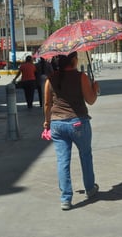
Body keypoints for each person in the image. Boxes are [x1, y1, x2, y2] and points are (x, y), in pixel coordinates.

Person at [43, 51, 100, 211]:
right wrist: (95, 88)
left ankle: (66, 199)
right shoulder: (80, 77)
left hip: (57, 124)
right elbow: (91, 100)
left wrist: (47, 122)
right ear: (74, 60)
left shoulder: (50, 79)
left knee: (62, 161)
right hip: (78, 122)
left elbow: (47, 104)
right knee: (85, 155)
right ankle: (90, 188)